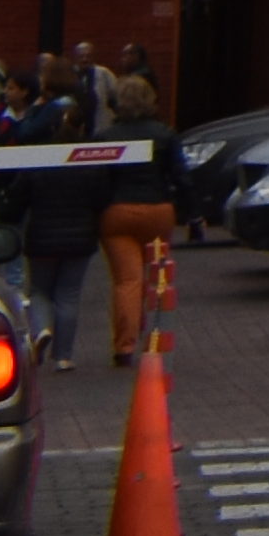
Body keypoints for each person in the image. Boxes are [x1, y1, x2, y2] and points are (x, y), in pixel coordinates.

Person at [3, 57, 115, 371]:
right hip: (80, 239)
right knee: (69, 294)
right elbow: (101, 199)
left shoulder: (38, 164)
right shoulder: (91, 164)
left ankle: (42, 329)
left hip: (41, 237)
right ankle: (64, 356)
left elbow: (18, 199)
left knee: (39, 290)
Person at [96, 73, 186, 367]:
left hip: (119, 213)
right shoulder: (165, 134)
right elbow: (180, 177)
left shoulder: (106, 137)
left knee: (127, 281)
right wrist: (192, 212)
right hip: (158, 212)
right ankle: (156, 339)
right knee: (157, 276)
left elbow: (97, 181)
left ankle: (125, 345)